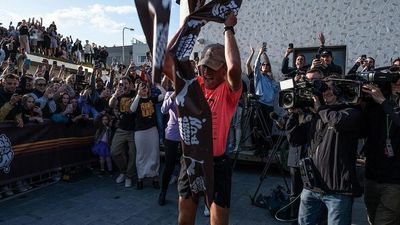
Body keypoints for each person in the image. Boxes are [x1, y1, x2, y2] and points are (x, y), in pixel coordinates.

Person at [175, 12, 242, 225]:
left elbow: (235, 68)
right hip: (192, 159)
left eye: (213, 67)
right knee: (184, 218)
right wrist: (188, 25)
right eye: (204, 66)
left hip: (217, 163)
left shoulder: (228, 91)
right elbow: (170, 58)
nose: (207, 71)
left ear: (223, 70)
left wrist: (228, 29)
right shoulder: (196, 86)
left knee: (218, 221)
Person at [298, 76, 362, 225]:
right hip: (312, 186)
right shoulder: (318, 113)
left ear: (340, 91)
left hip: (338, 191)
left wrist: (320, 109)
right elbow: (296, 139)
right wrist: (296, 114)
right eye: (324, 89)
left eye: (330, 89)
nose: (326, 92)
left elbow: (338, 121)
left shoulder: (352, 111)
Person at [361, 77, 400, 225]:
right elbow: (361, 132)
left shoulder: (383, 102)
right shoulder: (376, 105)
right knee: (373, 219)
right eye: (394, 79)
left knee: (383, 222)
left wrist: (383, 101)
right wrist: (360, 106)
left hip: (395, 182)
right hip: (372, 177)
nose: (397, 83)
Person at [130, 81, 165, 190]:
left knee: (154, 154)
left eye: (146, 87)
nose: (144, 89)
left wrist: (159, 86)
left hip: (152, 130)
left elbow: (164, 95)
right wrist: (138, 95)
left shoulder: (151, 99)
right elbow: (132, 109)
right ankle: (140, 178)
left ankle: (155, 177)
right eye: (142, 87)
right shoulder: (136, 100)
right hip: (140, 132)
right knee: (141, 154)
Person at [109, 76, 137, 188]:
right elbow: (111, 105)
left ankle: (129, 176)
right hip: (121, 129)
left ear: (130, 84)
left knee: (133, 154)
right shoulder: (118, 95)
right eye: (121, 84)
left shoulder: (135, 94)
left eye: (125, 83)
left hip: (134, 130)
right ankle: (123, 172)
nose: (123, 86)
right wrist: (115, 95)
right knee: (114, 152)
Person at [158, 88, 180, 205]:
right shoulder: (169, 94)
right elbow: (163, 110)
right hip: (172, 133)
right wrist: (173, 96)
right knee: (169, 165)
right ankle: (163, 192)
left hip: (187, 133)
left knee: (188, 164)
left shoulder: (191, 92)